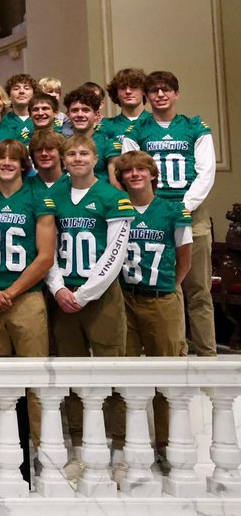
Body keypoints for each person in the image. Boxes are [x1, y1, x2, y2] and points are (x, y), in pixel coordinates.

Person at [46, 134, 133, 460]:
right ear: (63, 160)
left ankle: (120, 446)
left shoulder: (112, 196)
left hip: (100, 296)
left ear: (95, 158)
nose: (78, 158)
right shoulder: (54, 195)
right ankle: (80, 445)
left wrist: (85, 293)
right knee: (71, 371)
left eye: (84, 153)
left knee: (112, 368)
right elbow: (47, 247)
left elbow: (115, 252)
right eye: (72, 153)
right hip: (64, 296)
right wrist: (58, 287)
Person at [120, 70, 215, 357]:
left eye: (166, 90)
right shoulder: (136, 131)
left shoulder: (195, 127)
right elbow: (129, 170)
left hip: (190, 212)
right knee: (163, 286)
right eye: (154, 91)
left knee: (197, 288)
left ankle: (208, 355)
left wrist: (183, 206)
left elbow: (206, 171)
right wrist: (155, 208)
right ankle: (177, 350)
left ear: (176, 93)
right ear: (146, 97)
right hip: (148, 215)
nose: (160, 95)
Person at [0, 140, 56, 443]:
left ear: (24, 164)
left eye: (14, 159)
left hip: (26, 298)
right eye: (1, 158)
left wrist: (11, 292)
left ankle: (41, 445)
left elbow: (45, 256)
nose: (7, 163)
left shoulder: (38, 197)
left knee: (35, 378)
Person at [117, 149, 191, 457]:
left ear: (152, 174)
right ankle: (130, 441)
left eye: (140, 170)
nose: (134, 175)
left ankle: (166, 442)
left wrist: (171, 286)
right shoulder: (119, 208)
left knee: (166, 372)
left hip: (160, 298)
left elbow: (185, 255)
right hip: (127, 299)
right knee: (126, 374)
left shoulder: (173, 209)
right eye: (128, 171)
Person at [64, 85, 120, 180]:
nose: (80, 115)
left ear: (96, 115)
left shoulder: (108, 144)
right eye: (75, 110)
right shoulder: (61, 144)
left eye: (86, 110)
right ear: (68, 114)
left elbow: (115, 184)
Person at [101, 68, 151, 142]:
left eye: (133, 87)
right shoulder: (106, 126)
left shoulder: (155, 122)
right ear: (116, 93)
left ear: (144, 91)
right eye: (122, 87)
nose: (128, 91)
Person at [0, 74, 36, 142]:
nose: (21, 91)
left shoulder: (41, 118)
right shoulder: (4, 122)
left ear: (34, 94)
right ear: (9, 95)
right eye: (16, 88)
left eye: (26, 88)